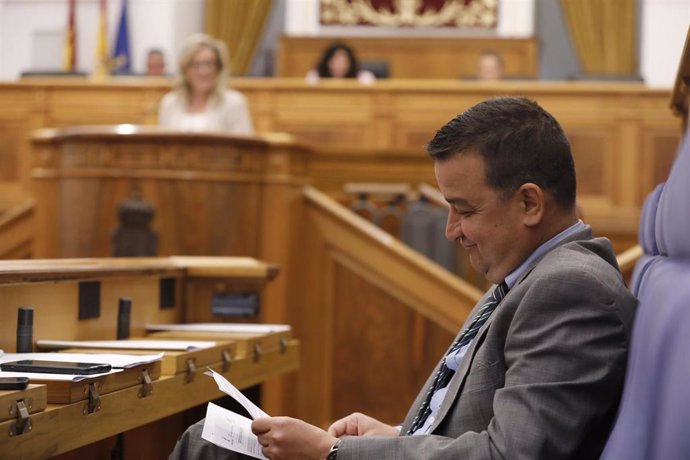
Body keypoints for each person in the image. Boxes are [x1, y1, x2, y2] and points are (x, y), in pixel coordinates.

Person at [169, 97, 637, 460]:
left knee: (209, 447)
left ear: (530, 203)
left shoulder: (569, 289)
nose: (452, 231)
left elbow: (508, 454)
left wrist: (332, 452)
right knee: (214, 439)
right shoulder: (533, 273)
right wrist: (393, 437)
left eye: (465, 210)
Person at [158, 34, 253, 134]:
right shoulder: (170, 103)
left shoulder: (233, 103)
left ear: (219, 68)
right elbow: (163, 146)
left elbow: (244, 147)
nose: (203, 72)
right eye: (196, 65)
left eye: (209, 64)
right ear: (185, 70)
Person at [305, 42, 376, 85]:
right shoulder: (315, 77)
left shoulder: (364, 78)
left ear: (350, 63)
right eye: (335, 61)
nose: (339, 65)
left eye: (343, 62)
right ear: (327, 62)